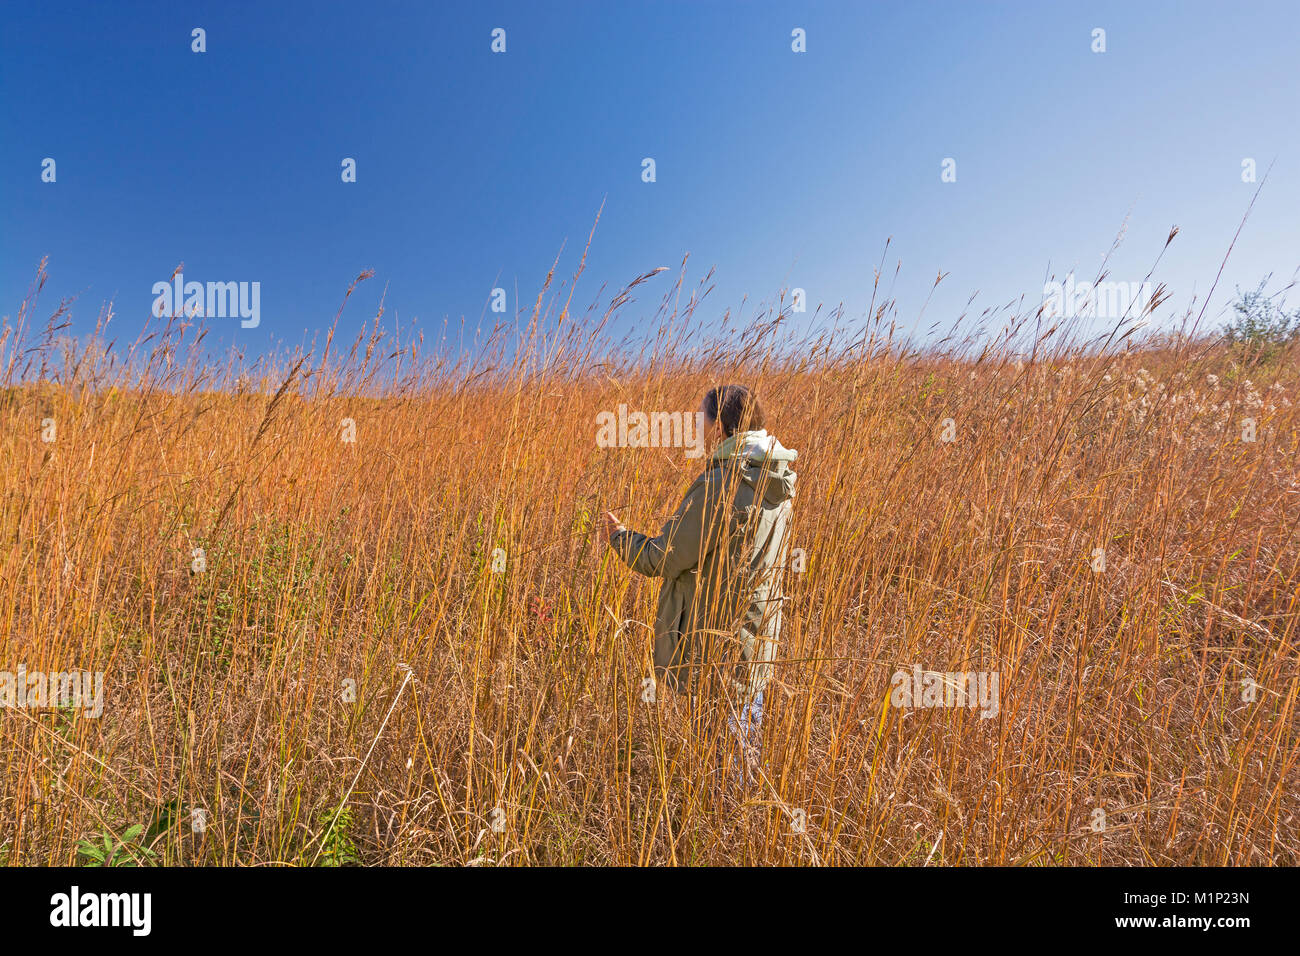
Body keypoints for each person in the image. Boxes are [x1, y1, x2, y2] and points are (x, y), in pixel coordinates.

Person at [601, 384, 797, 784]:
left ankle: (724, 825)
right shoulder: (777, 478)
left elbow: (664, 557)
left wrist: (620, 538)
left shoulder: (719, 485)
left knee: (718, 765)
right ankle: (742, 826)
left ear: (722, 429)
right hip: (755, 643)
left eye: (702, 420)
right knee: (743, 749)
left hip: (713, 649)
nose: (698, 429)